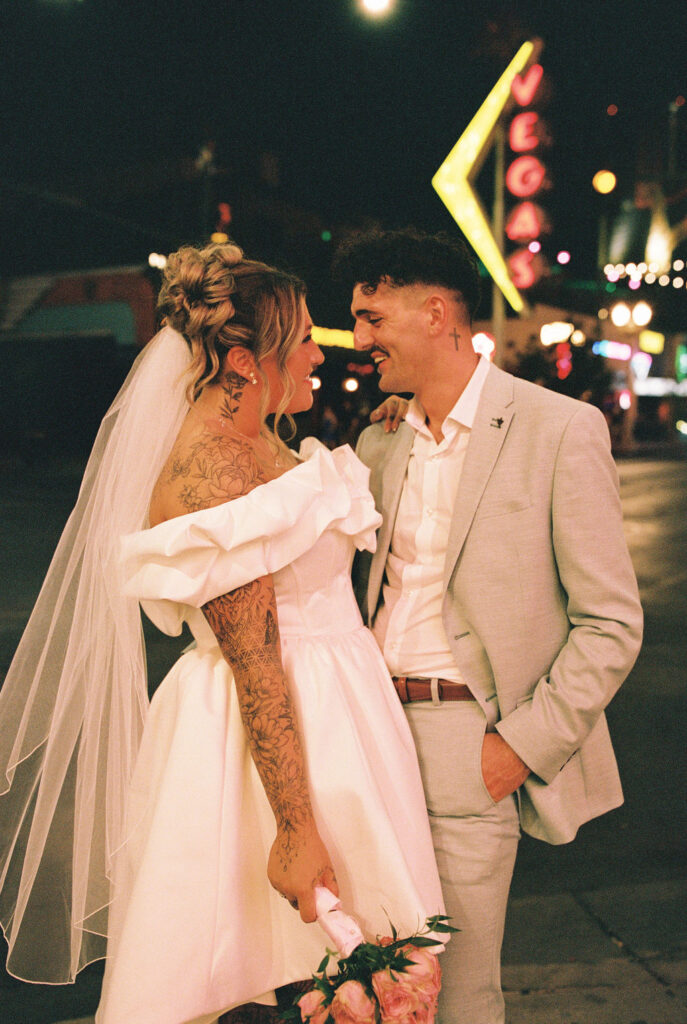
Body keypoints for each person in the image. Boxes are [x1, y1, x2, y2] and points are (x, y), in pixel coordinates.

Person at [0, 241, 445, 1024]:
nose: (318, 350)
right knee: (270, 969)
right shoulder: (211, 467)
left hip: (336, 717)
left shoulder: (260, 441)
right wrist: (297, 830)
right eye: (303, 336)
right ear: (243, 357)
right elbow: (256, 659)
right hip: (265, 747)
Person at [333, 227, 644, 1024]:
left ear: (434, 312)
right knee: (369, 987)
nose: (359, 339)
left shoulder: (556, 429)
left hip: (465, 744)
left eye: (372, 318)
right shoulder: (379, 439)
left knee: (460, 994)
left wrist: (520, 745)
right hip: (366, 738)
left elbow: (608, 622)